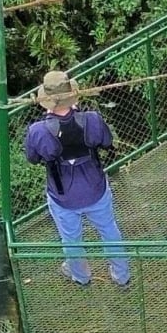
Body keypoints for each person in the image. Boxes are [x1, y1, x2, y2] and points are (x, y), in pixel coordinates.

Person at [23, 70, 131, 288]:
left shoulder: (38, 131)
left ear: (46, 102)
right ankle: (122, 275)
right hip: (95, 187)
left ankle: (81, 276)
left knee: (71, 239)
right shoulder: (91, 120)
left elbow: (33, 158)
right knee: (109, 229)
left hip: (63, 194)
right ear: (73, 95)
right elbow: (106, 141)